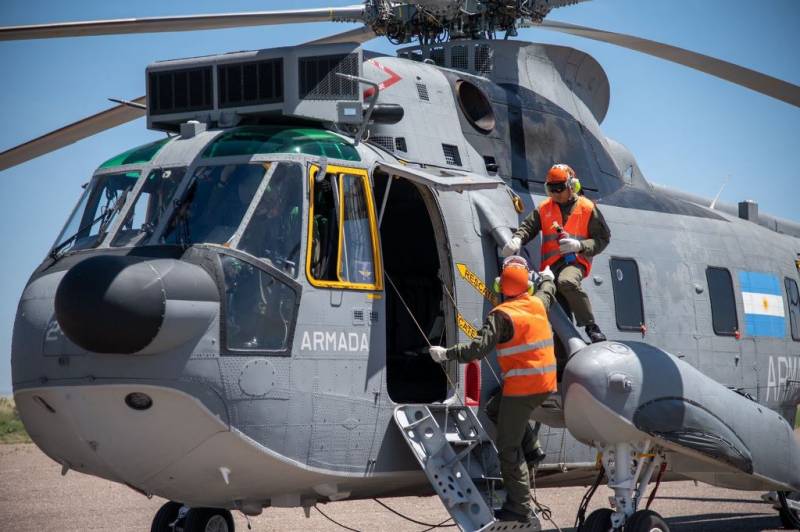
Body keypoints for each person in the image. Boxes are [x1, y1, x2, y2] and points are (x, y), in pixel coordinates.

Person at [429, 256, 557, 524]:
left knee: (508, 449)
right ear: (528, 286)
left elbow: (477, 349)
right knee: (495, 408)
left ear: (499, 287)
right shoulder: (538, 303)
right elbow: (547, 291)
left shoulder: (501, 316)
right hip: (545, 384)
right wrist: (547, 278)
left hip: (522, 389)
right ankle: (532, 449)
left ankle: (519, 507)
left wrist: (446, 354)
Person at [502, 163, 610, 343]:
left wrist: (580, 245)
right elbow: (528, 227)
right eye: (551, 189)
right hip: (551, 266)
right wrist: (517, 239)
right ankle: (562, 350)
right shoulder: (544, 208)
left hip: (575, 261)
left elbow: (603, 239)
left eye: (559, 188)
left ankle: (591, 326)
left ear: (572, 186)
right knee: (553, 306)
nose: (555, 194)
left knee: (566, 281)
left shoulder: (587, 208)